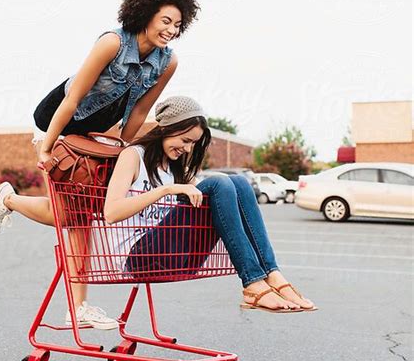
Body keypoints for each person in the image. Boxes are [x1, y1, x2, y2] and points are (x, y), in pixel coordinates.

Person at [0, 0, 200, 327]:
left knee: (82, 212)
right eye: (165, 21)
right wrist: (48, 147)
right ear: (145, 13)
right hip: (57, 119)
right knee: (77, 217)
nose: (171, 31)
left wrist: (126, 152)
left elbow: (141, 111)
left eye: (177, 25)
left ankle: (10, 201)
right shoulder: (112, 43)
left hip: (96, 134)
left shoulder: (167, 61)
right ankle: (78, 308)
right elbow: (71, 99)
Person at [104, 96, 318, 312]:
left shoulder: (175, 167)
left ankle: (273, 274)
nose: (188, 150)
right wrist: (167, 189)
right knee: (218, 182)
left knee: (239, 183)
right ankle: (253, 282)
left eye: (193, 144)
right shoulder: (133, 156)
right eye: (185, 140)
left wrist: (185, 185)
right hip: (139, 258)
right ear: (166, 128)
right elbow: (111, 213)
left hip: (173, 256)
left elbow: (218, 198)